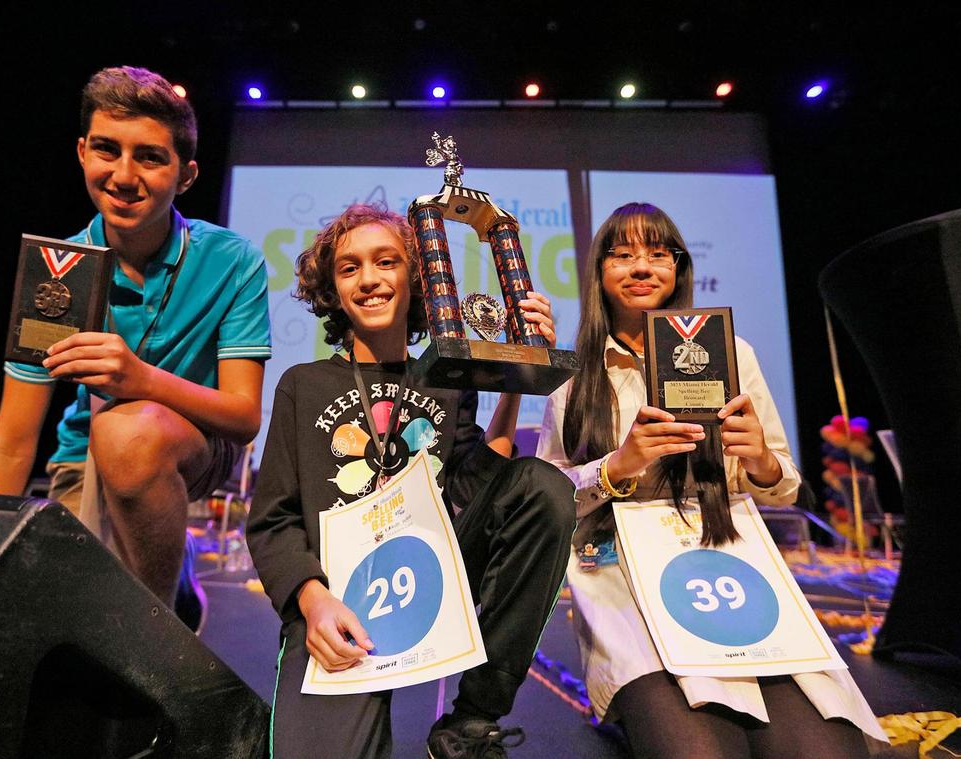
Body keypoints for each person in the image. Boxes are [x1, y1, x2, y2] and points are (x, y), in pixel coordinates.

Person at [536, 203, 887, 757]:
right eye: (622, 255)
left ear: (679, 268)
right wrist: (614, 467)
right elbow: (547, 496)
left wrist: (759, 461)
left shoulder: (732, 354)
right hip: (623, 581)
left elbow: (784, 481)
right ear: (599, 272)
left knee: (827, 749)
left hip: (732, 565)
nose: (641, 267)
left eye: (658, 254)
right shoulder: (571, 374)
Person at [246, 203, 575, 758]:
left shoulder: (447, 382)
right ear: (331, 287)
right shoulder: (302, 385)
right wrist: (312, 599)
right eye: (350, 268)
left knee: (544, 488)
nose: (369, 279)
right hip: (340, 601)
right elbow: (272, 520)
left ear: (417, 277)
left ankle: (472, 720)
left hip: (435, 577)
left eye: (386, 262)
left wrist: (520, 366)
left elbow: (480, 492)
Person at [0, 66, 271, 630]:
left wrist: (141, 381)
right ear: (82, 152)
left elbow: (243, 416)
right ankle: (167, 582)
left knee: (129, 435)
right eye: (107, 150)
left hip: (195, 442)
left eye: (151, 157)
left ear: (186, 175)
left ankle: (153, 644)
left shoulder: (233, 259)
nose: (124, 175)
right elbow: (11, 442)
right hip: (82, 459)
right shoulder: (57, 274)